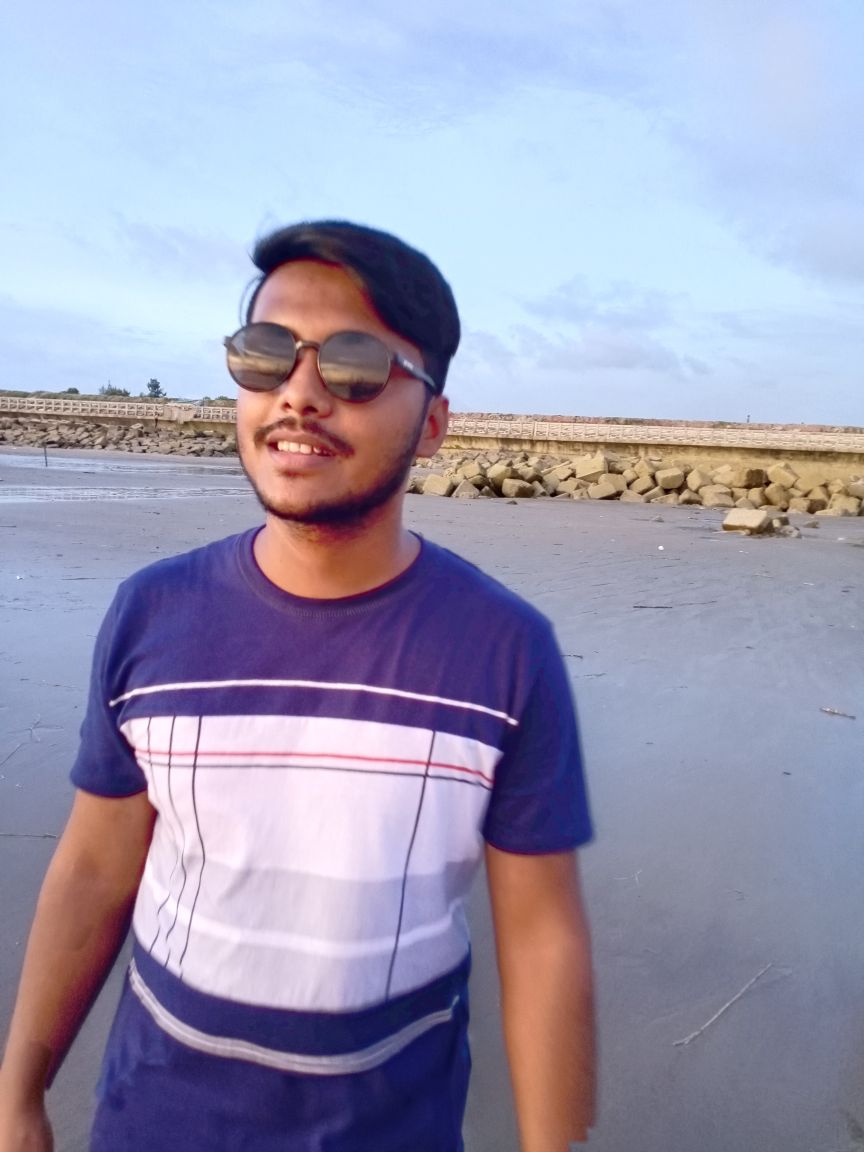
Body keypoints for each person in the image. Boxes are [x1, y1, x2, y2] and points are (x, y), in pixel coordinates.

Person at [0, 220, 595, 1151]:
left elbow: (542, 939)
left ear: (433, 425)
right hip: (152, 1122)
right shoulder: (152, 614)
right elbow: (94, 870)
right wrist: (19, 1093)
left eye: (355, 366)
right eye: (266, 354)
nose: (300, 394)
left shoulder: (505, 652)